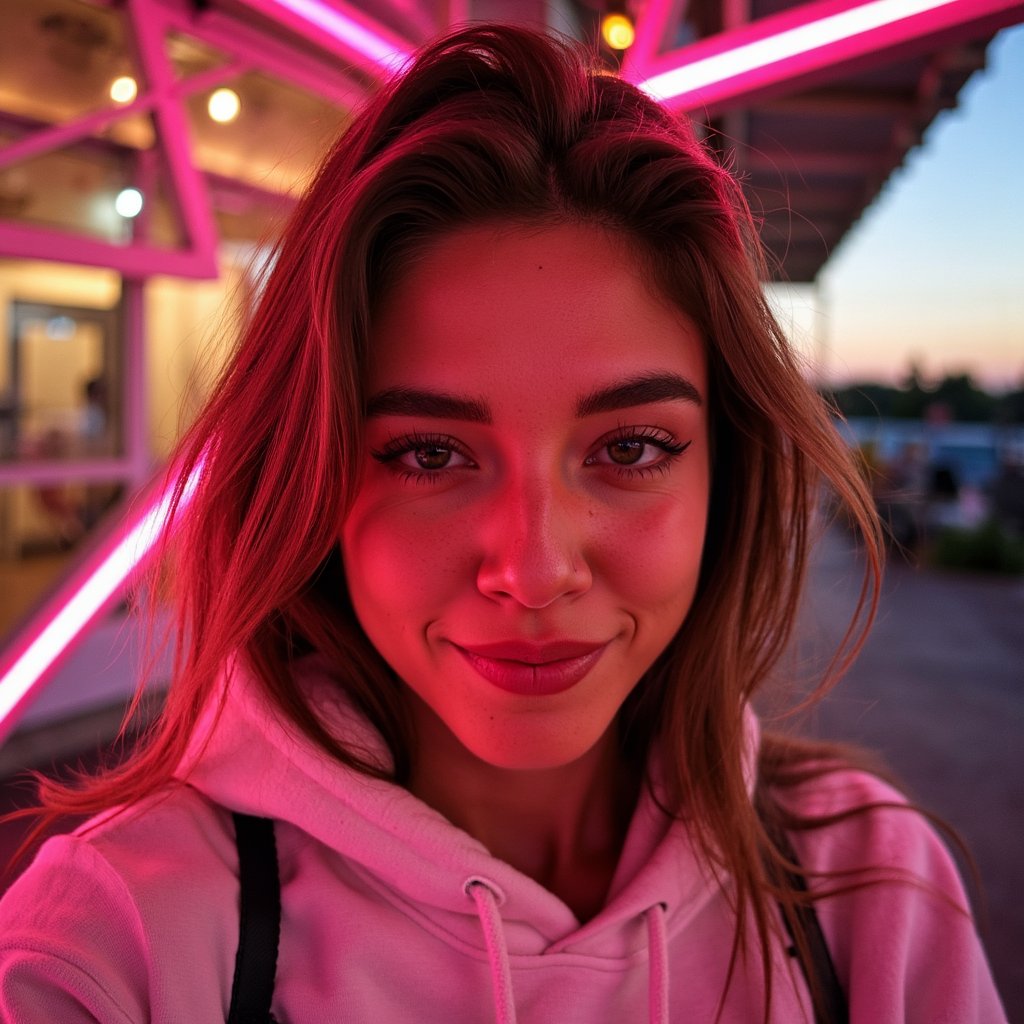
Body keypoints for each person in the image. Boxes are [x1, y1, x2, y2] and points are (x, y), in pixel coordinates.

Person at [0, 24, 1006, 1024]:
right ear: (315, 482)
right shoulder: (122, 940)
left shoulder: (864, 887)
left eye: (630, 449)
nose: (532, 570)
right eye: (430, 454)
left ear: (725, 477)